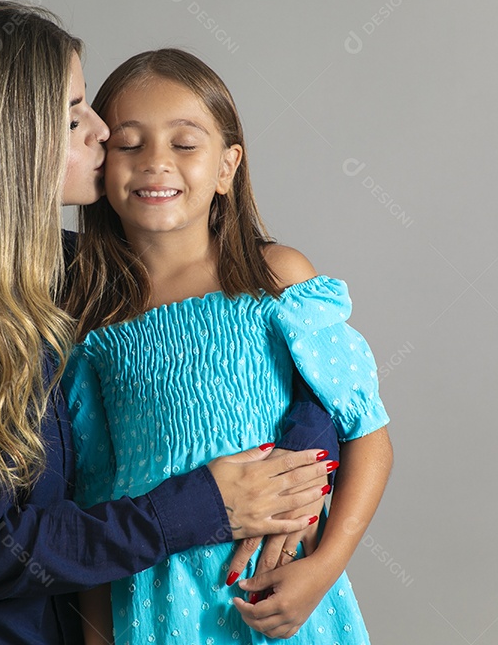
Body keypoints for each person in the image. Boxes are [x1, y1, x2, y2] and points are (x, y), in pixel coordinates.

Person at [0, 2, 340, 644]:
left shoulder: (82, 274)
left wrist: (299, 474)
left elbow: (292, 364)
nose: (102, 130)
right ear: (7, 143)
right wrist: (207, 506)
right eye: (73, 117)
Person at [63, 48, 394, 643]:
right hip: (156, 604)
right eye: (129, 144)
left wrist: (323, 570)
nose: (155, 163)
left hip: (277, 594)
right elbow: (94, 497)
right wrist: (96, 635)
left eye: (184, 145)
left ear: (227, 167)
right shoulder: (95, 328)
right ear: (101, 165)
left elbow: (367, 433)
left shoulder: (276, 283)